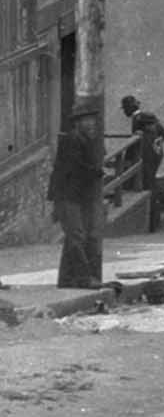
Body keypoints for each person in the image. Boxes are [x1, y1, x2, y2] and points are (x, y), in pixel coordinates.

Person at [47, 104, 102, 288]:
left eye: (93, 119)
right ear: (78, 123)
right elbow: (76, 167)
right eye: (87, 120)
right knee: (77, 236)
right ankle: (84, 278)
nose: (91, 123)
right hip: (67, 195)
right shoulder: (73, 140)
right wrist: (97, 172)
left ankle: (66, 279)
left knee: (75, 236)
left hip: (74, 196)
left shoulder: (84, 140)